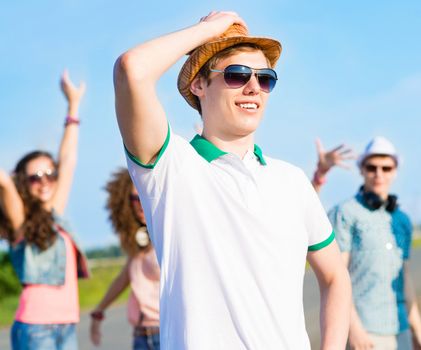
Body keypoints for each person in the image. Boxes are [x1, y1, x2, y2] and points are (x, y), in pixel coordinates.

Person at [113, 11, 351, 350]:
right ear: (199, 84)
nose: (254, 86)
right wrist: (208, 31)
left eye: (265, 78)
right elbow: (131, 70)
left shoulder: (292, 180)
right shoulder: (171, 167)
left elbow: (335, 276)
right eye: (237, 74)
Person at [313, 137, 421, 350]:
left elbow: (406, 279)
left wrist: (418, 332)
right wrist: (354, 328)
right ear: (361, 170)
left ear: (395, 171)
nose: (379, 174)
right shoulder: (345, 212)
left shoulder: (402, 220)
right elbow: (337, 276)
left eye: (386, 168)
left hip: (400, 329)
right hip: (365, 331)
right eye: (372, 167)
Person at [0, 71, 89, 350]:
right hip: (37, 328)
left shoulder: (56, 212)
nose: (45, 181)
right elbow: (3, 182)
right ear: (24, 184)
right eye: (35, 177)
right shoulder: (20, 221)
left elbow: (68, 159)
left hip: (68, 324)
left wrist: (73, 105)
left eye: (50, 174)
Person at [89, 169, 160, 350]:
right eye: (134, 199)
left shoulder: (169, 237)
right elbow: (124, 278)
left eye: (145, 196)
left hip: (166, 332)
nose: (140, 204)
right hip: (141, 336)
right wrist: (99, 311)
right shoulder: (139, 243)